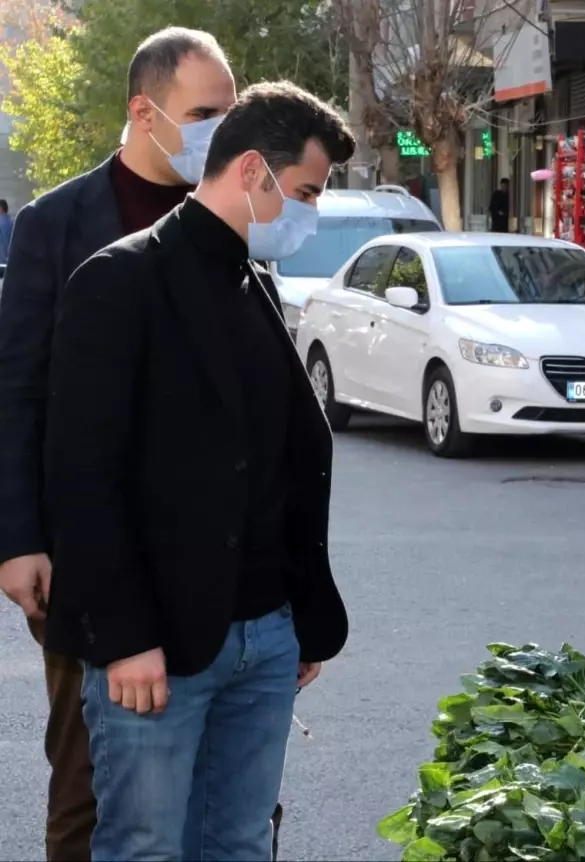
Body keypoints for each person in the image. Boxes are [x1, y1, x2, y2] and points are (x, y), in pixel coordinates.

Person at [42, 79, 354, 861]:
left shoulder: (253, 284)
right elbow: (83, 476)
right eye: (307, 192)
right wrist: (123, 638)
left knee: (241, 844)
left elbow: (278, 462)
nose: (310, 213)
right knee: (144, 847)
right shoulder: (119, 282)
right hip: (159, 648)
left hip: (266, 641)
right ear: (254, 172)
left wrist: (297, 617)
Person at [0, 27, 236, 862]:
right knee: (89, 784)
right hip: (87, 555)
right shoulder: (54, 224)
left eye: (230, 112)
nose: (223, 129)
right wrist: (20, 539)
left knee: (215, 786)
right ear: (145, 111)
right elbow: (18, 391)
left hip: (211, 560)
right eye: (205, 112)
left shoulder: (229, 220)